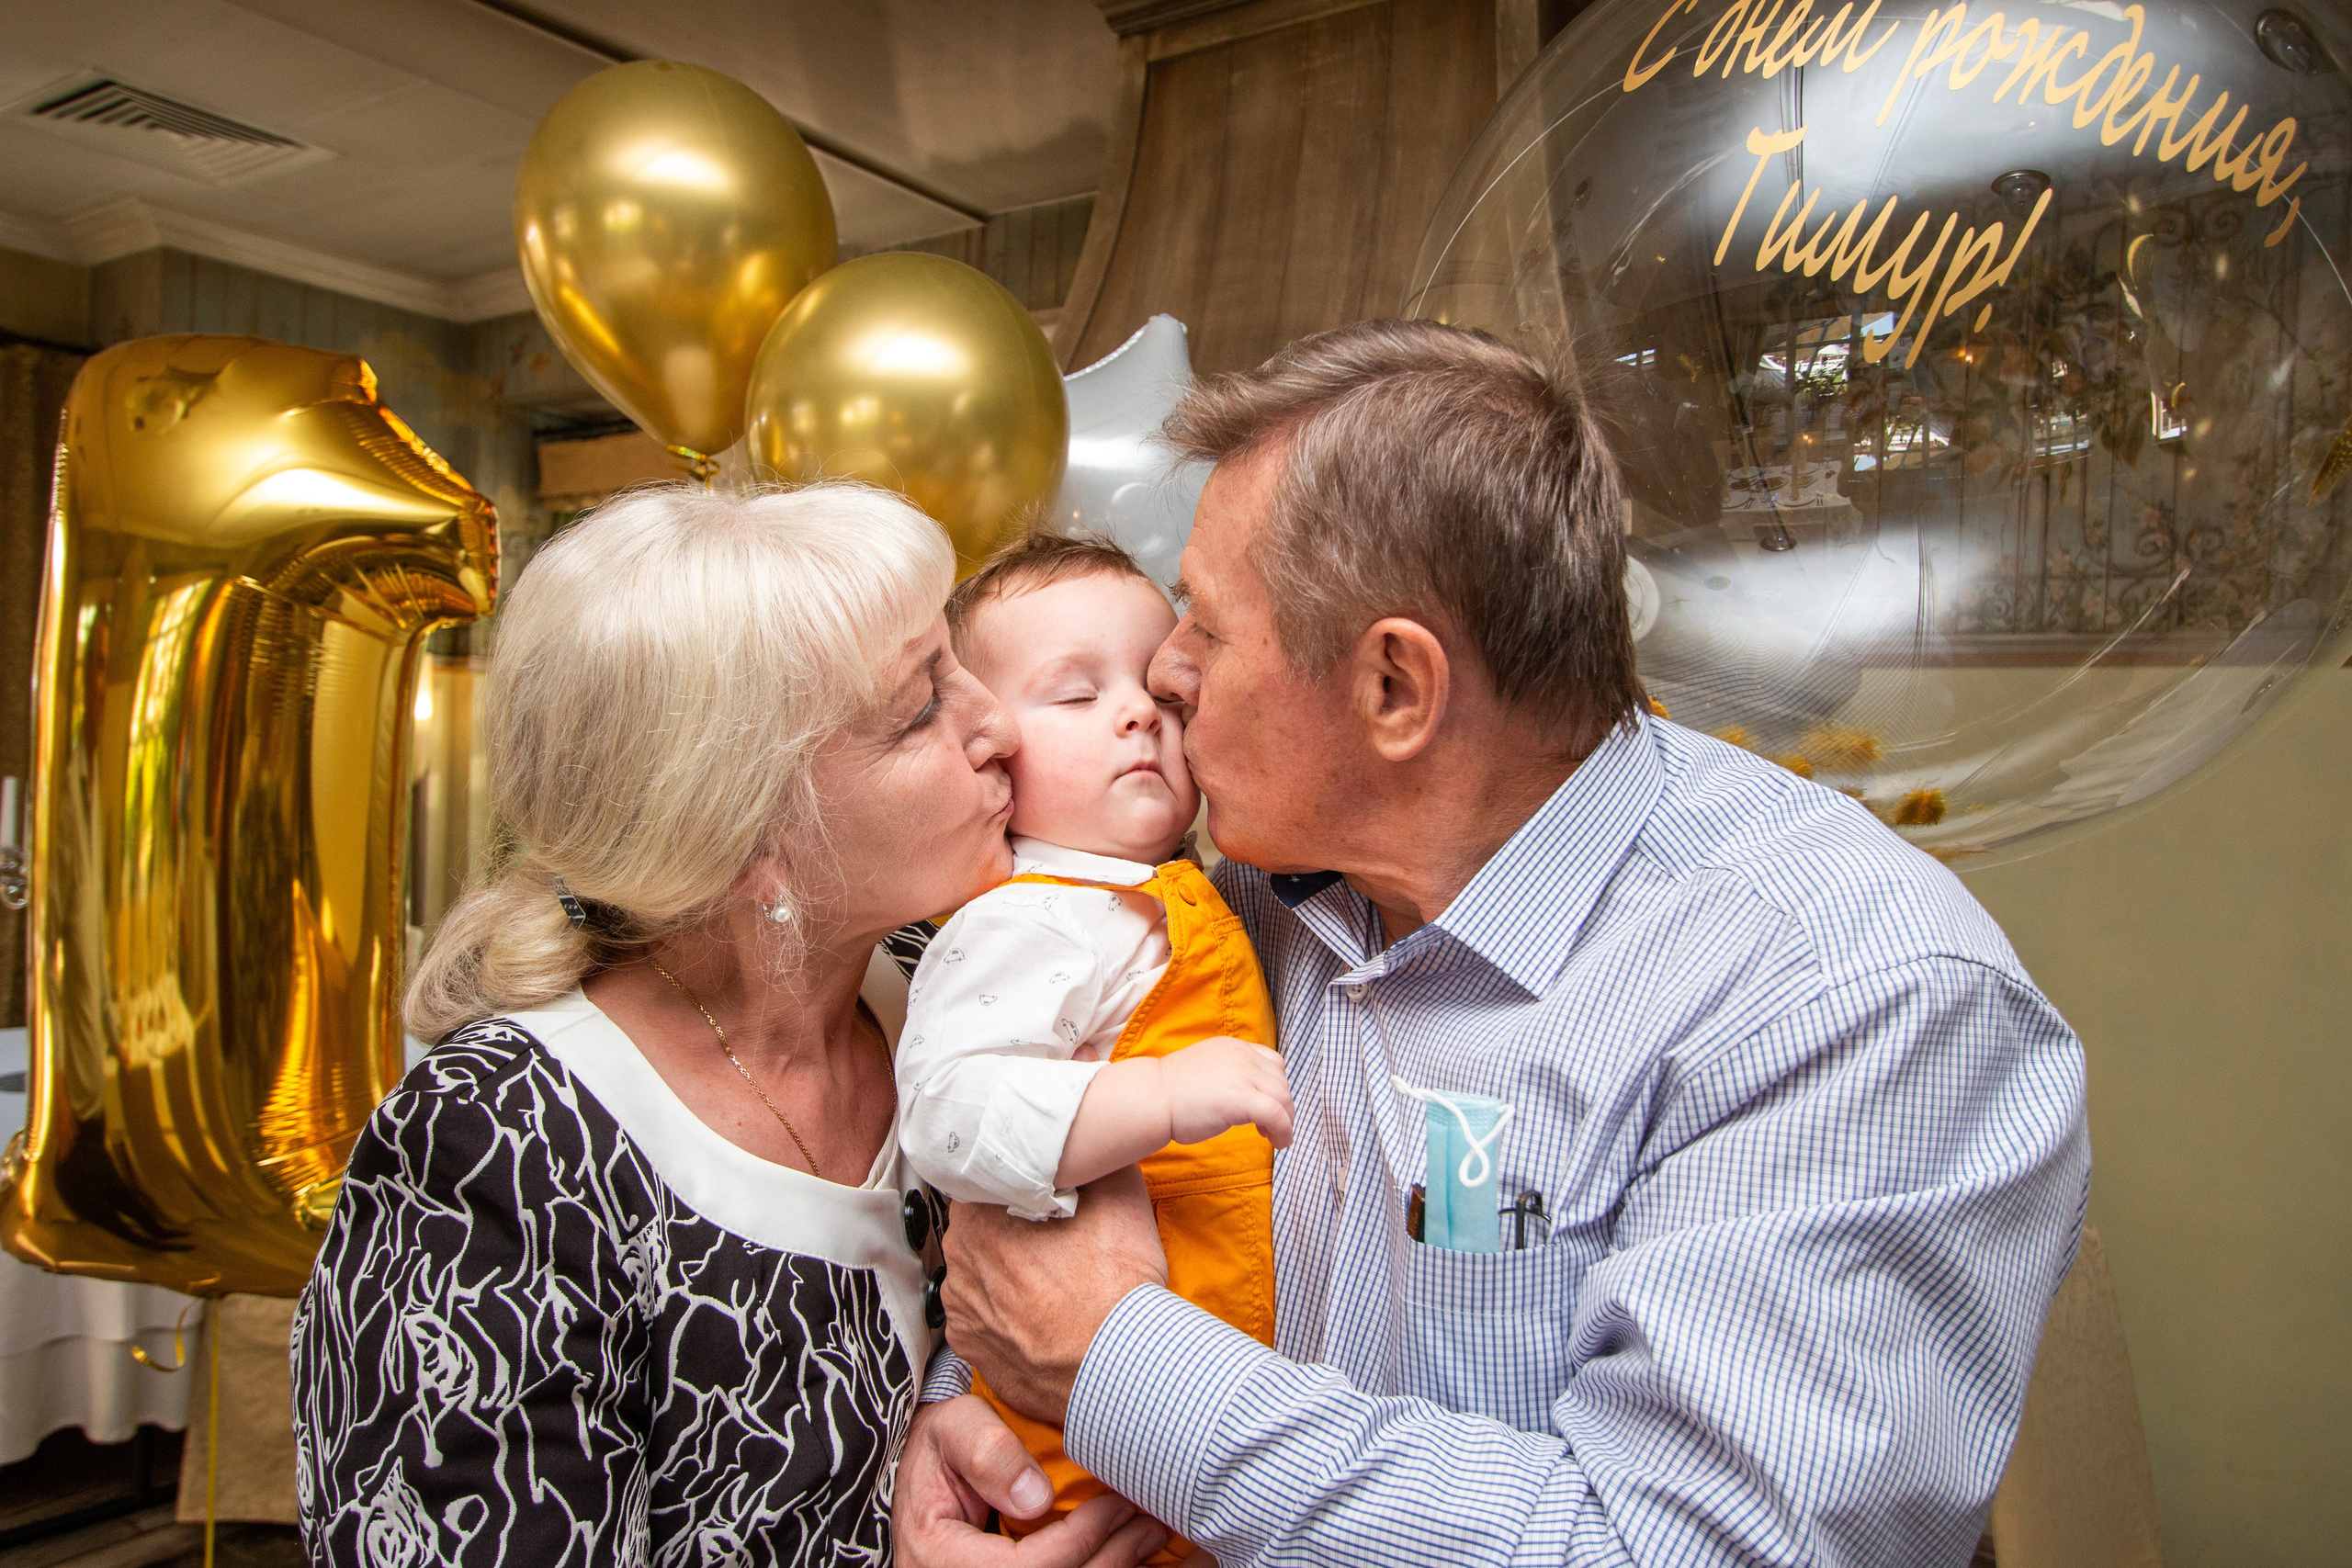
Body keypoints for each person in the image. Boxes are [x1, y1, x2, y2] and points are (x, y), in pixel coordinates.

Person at [894, 321, 2090, 1567]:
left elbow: (1674, 1546)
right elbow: (1026, 1147)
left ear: (1396, 690)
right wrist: (973, 1424)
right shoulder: (1240, 884)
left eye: (1203, 624)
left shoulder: (1854, 999)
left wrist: (1122, 1370)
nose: (1171, 675)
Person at [290, 484, 1166, 1568]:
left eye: (954, 664)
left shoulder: (942, 987)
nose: (993, 724)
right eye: (918, 709)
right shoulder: (493, 1147)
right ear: (749, 849)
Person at [896, 533, 1292, 1559]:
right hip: (1083, 1447)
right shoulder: (1028, 920)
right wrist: (1157, 1096)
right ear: (986, 749)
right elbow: (947, 1116)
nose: (1136, 714)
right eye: (1075, 697)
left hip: (1198, 1406)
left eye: (1159, 692)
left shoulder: (1163, 893)